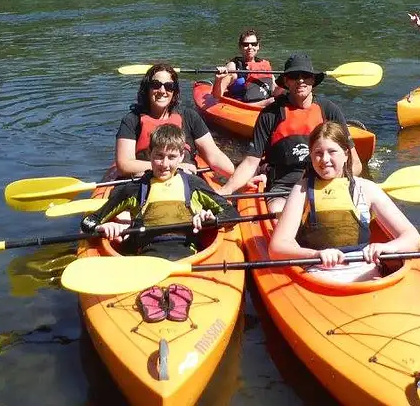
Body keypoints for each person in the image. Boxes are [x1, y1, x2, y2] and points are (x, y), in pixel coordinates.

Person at [268, 121, 420, 283]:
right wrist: (315, 255)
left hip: (366, 272)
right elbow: (277, 248)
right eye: (318, 153)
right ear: (311, 156)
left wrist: (386, 247)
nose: (324, 159)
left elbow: (413, 238)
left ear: (346, 154)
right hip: (319, 274)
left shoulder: (366, 188)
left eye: (332, 151)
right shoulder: (302, 189)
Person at [216, 54, 363, 213]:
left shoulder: (329, 110)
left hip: (324, 183)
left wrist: (336, 183)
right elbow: (251, 162)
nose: (300, 80)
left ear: (313, 80)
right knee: (278, 211)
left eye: (305, 76)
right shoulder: (270, 114)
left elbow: (355, 163)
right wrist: (227, 189)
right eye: (294, 76)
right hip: (282, 188)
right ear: (286, 82)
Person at [83, 124, 238, 261]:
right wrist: (103, 227)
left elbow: (232, 214)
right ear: (150, 153)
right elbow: (88, 222)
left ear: (181, 157)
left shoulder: (193, 185)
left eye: (172, 157)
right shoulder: (135, 189)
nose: (165, 164)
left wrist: (212, 219)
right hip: (146, 258)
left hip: (189, 258)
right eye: (159, 156)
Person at [114, 63, 235, 178]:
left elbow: (214, 155)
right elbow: (124, 165)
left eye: (169, 86)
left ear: (174, 92)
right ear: (147, 89)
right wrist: (174, 167)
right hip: (144, 181)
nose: (162, 91)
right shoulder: (132, 119)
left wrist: (237, 178)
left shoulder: (189, 116)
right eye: (156, 85)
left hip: (185, 181)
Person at [213, 28, 278, 106]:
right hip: (243, 107)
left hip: (266, 105)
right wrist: (218, 80)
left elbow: (275, 90)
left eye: (253, 44)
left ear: (258, 46)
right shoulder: (233, 67)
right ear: (240, 47)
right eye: (245, 44)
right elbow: (216, 96)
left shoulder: (264, 64)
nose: (250, 47)